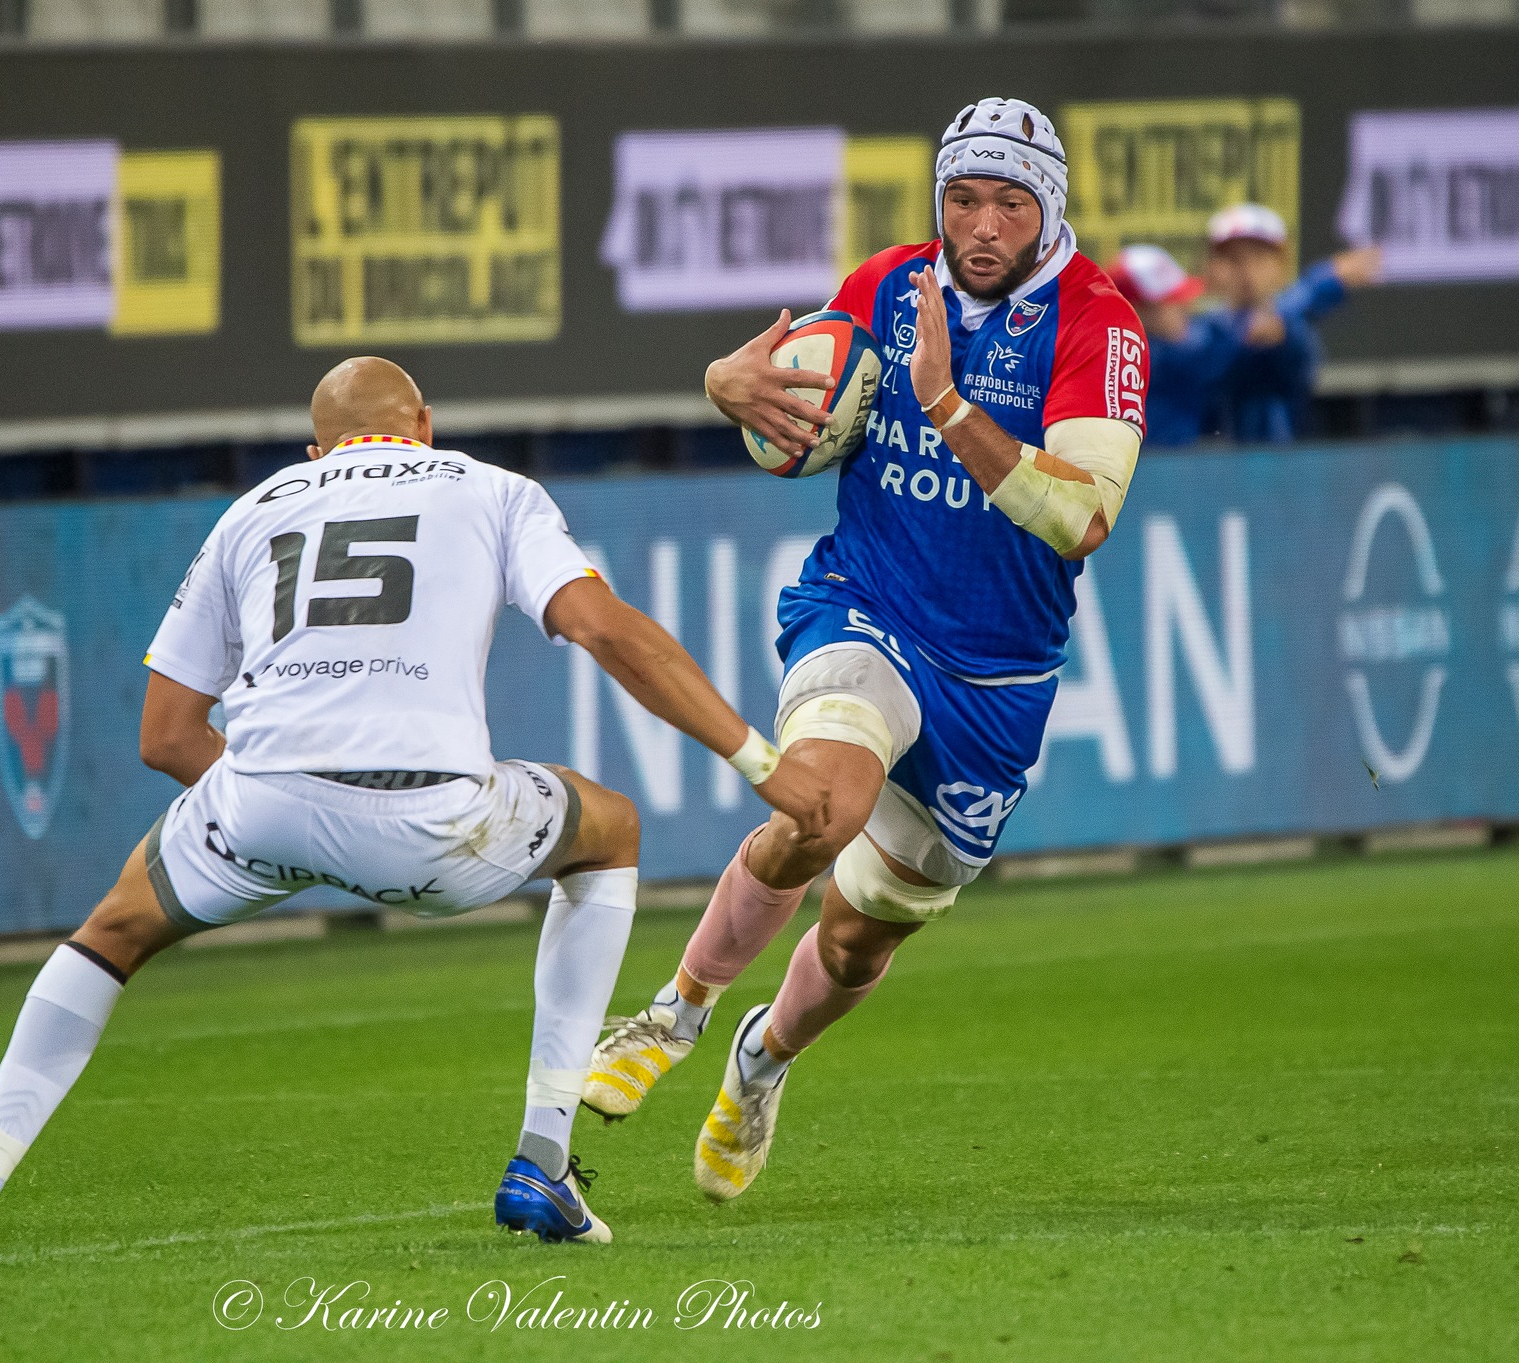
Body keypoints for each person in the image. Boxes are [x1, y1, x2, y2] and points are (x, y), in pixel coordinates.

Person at [0, 357, 830, 1267]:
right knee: (609, 827)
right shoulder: (487, 487)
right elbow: (603, 628)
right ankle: (541, 1159)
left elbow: (165, 735)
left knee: (107, 935)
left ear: (314, 452)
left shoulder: (250, 512)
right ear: (424, 427)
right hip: (431, 820)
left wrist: (294, 816)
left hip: (258, 804)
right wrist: (755, 757)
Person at [586, 98, 1149, 1203]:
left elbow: (1082, 515)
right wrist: (723, 386)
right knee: (818, 807)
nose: (979, 225)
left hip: (995, 680)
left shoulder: (1099, 322)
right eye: (961, 197)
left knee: (856, 943)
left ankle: (759, 1060)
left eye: (1006, 202)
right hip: (864, 607)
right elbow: (798, 409)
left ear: (1048, 210)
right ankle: (673, 1011)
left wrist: (944, 403)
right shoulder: (887, 284)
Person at [1202, 203, 1382, 443]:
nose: (1246, 270)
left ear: (1279, 265)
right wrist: (1320, 283)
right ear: (1213, 268)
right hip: (1209, 472)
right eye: (1234, 259)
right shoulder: (1203, 331)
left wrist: (1300, 303)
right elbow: (1228, 351)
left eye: (1258, 257)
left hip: (1289, 469)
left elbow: (1295, 360)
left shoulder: (1294, 328)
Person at [1109, 242, 1279, 449]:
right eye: (1170, 301)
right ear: (1134, 310)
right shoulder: (1155, 357)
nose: (1184, 307)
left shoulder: (1168, 344)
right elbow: (1237, 339)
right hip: (1150, 472)